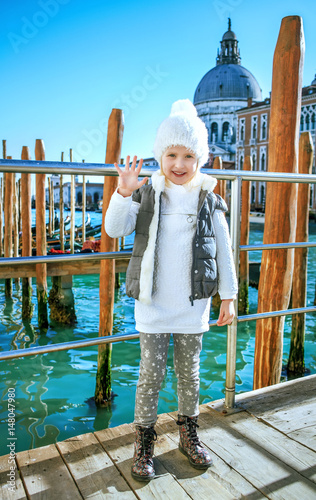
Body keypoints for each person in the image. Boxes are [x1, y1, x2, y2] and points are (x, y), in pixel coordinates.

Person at [104, 99, 238, 482]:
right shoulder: (147, 194)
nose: (179, 164)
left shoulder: (210, 201)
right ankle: (143, 440)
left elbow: (224, 253)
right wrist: (123, 192)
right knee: (150, 375)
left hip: (192, 307)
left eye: (188, 155)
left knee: (189, 375)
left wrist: (228, 296)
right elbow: (115, 229)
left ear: (201, 159)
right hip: (153, 307)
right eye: (172, 154)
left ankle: (188, 433)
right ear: (160, 156)